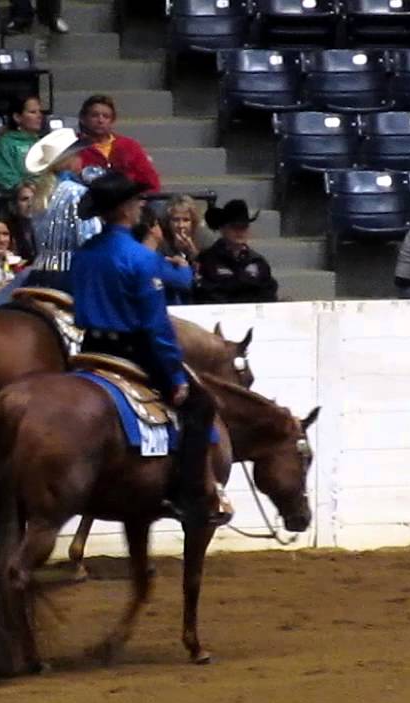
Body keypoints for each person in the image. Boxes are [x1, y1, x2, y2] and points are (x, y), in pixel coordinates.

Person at [69, 171, 229, 527]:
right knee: (201, 406)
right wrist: (173, 375)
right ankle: (188, 495)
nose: (142, 205)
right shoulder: (138, 258)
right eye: (138, 201)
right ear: (126, 208)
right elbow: (156, 327)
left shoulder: (84, 254)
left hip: (89, 347)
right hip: (132, 350)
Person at [26, 127, 99, 272]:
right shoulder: (76, 192)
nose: (81, 159)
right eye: (78, 155)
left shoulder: (41, 194)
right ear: (69, 160)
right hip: (73, 271)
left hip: (43, 269)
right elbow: (89, 239)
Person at [195, 199, 279, 304]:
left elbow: (269, 293)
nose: (239, 232)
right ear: (222, 228)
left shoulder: (259, 262)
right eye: (234, 227)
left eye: (243, 227)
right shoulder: (207, 259)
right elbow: (204, 293)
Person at [76, 95, 161, 192]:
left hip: (128, 200)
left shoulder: (129, 146)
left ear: (112, 121)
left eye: (106, 117)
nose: (100, 120)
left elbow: (151, 182)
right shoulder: (73, 146)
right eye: (94, 116)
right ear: (83, 118)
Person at [134, 206, 194, 306]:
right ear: (151, 229)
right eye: (157, 224)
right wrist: (183, 265)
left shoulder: (133, 253)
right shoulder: (151, 259)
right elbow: (184, 280)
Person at [0, 96, 44, 192]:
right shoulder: (5, 143)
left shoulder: (42, 142)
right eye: (33, 112)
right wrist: (26, 187)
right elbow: (3, 175)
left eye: (39, 111)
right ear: (17, 117)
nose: (40, 116)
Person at [5, 179, 38, 264]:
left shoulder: (48, 227)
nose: (30, 204)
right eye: (24, 199)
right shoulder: (6, 229)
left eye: (34, 199)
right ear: (15, 203)